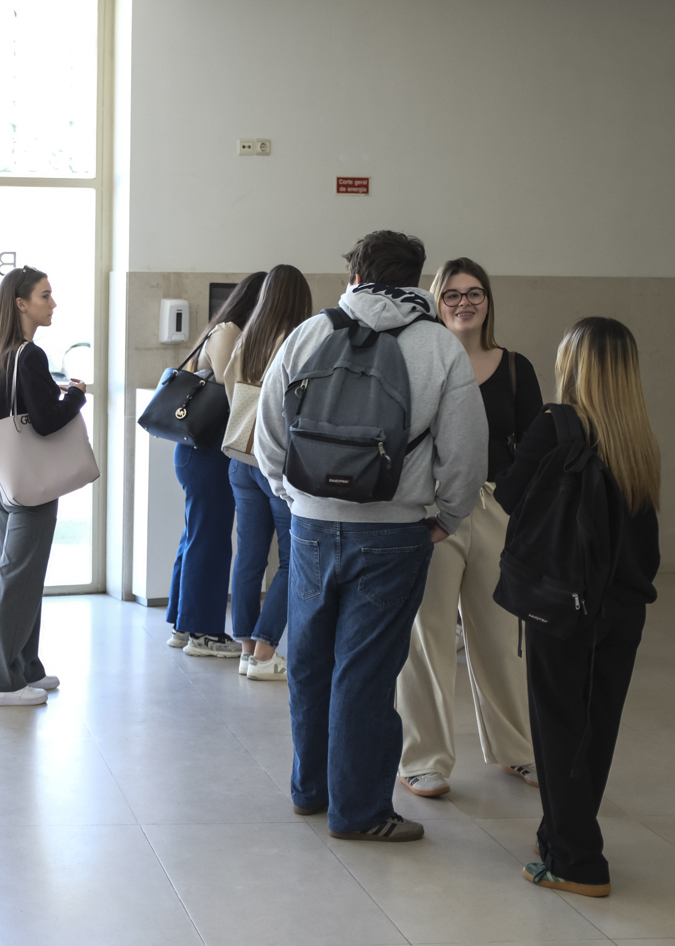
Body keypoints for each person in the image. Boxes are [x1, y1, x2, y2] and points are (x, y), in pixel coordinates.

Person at [255, 230, 487, 842]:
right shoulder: (438, 346)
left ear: (355, 272)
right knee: (366, 670)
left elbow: (268, 431)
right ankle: (358, 811)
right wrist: (448, 516)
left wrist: (295, 496)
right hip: (395, 532)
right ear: (418, 278)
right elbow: (465, 452)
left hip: (308, 525)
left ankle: (311, 790)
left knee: (308, 660)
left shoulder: (310, 332)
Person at [499, 317, 660, 898]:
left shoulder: (554, 424)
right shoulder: (638, 438)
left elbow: (512, 497)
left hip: (563, 603)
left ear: (574, 367)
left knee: (557, 725)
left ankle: (578, 860)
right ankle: (562, 833)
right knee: (596, 726)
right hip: (626, 606)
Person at [396, 258, 542, 798]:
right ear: (437, 301)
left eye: (474, 292)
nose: (463, 302)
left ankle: (517, 749)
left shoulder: (514, 367)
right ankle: (424, 759)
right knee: (427, 637)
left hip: (494, 512)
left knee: (501, 637)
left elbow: (532, 444)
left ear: (488, 301)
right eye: (452, 294)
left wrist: (509, 501)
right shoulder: (421, 359)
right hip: (431, 513)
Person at [0, 266, 85, 706]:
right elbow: (45, 421)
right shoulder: (31, 356)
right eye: (45, 295)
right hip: (27, 484)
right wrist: (75, 397)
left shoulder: (1, 352)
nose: (52, 303)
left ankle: (25, 667)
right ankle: (3, 682)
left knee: (22, 576)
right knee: (18, 579)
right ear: (21, 303)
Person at [165, 271, 264, 659]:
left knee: (196, 535)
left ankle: (182, 623)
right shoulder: (228, 333)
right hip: (206, 452)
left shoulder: (226, 330)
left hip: (199, 450)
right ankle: (203, 632)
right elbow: (234, 388)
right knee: (210, 538)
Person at [223, 265, 312, 680]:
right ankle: (264, 650)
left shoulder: (248, 336)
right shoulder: (297, 339)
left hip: (240, 457)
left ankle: (244, 646)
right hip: (276, 460)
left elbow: (228, 382)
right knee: (294, 558)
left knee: (250, 556)